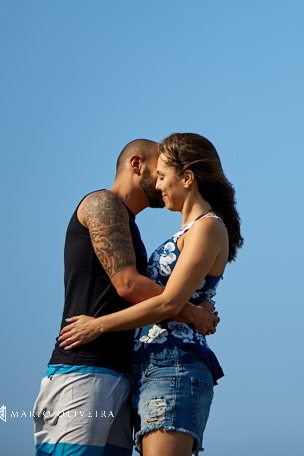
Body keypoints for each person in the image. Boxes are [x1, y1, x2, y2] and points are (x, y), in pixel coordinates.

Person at [58, 133, 244, 456]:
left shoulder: (209, 227)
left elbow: (167, 302)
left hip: (174, 367)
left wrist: (98, 325)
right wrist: (193, 312)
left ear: (187, 178)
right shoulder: (189, 231)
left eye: (163, 177)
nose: (158, 187)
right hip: (152, 370)